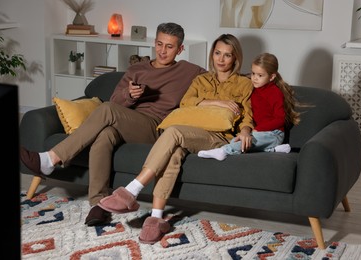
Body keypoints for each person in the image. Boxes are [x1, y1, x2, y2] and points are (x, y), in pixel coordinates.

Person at [20, 22, 206, 226]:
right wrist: (129, 95)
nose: (163, 51)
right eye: (159, 44)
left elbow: (219, 82)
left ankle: (51, 158)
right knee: (105, 134)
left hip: (154, 129)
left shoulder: (189, 71)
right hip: (127, 121)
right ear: (154, 43)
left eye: (169, 47)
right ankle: (98, 204)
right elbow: (116, 100)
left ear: (180, 49)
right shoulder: (137, 69)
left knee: (108, 110)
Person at [97, 33, 254, 244]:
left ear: (235, 59)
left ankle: (131, 190)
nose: (221, 59)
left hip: (217, 137)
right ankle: (155, 218)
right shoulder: (201, 79)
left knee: (173, 131)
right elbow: (186, 103)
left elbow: (248, 115)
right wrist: (218, 102)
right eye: (217, 53)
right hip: (191, 133)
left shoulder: (244, 84)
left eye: (227, 55)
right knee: (173, 154)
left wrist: (245, 132)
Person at [198, 52, 300, 161]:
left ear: (272, 77)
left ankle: (223, 151)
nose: (255, 78)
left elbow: (280, 119)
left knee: (245, 141)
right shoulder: (253, 89)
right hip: (261, 133)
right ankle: (274, 149)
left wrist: (257, 129)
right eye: (253, 73)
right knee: (236, 140)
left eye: (260, 75)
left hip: (274, 134)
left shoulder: (275, 93)